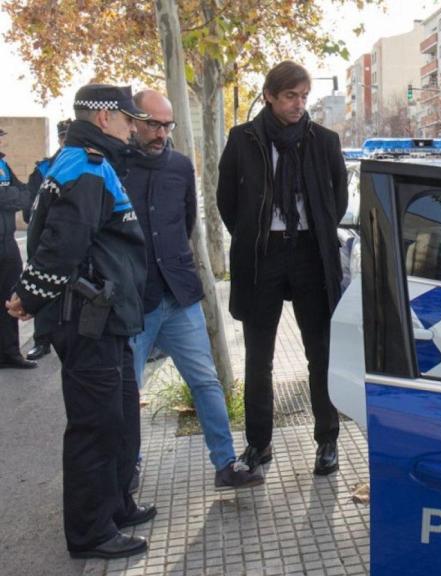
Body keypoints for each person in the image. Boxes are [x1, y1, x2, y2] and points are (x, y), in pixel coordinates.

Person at [5, 84, 155, 559]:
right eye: (129, 120)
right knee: (96, 424)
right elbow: (64, 242)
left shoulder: (89, 162)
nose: (134, 129)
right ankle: (91, 532)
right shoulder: (85, 166)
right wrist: (30, 296)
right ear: (105, 118)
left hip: (106, 318)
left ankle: (115, 507)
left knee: (118, 415)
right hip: (89, 319)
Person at [125, 89, 264, 490]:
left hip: (179, 297)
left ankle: (226, 464)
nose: (161, 134)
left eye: (167, 126)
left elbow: (187, 224)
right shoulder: (115, 166)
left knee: (205, 381)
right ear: (133, 121)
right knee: (127, 390)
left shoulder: (181, 166)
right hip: (134, 301)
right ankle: (127, 467)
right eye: (153, 125)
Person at [217, 61, 347, 475]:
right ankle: (259, 445)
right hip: (262, 255)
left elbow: (338, 199)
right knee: (259, 359)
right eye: (291, 96)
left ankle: (327, 440)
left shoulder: (324, 141)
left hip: (311, 254)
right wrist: (256, 235)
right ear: (269, 95)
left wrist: (315, 232)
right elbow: (227, 202)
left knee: (320, 354)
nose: (298, 104)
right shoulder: (242, 139)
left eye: (304, 96)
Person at [24, 118, 72, 362]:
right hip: (46, 239)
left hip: (72, 240)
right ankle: (41, 340)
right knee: (43, 287)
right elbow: (29, 208)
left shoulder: (86, 165)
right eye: (63, 137)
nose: (66, 141)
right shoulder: (44, 169)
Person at [0, 126, 37, 369]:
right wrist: (10, 196)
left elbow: (26, 193)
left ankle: (10, 353)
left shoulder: (3, 165)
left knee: (8, 298)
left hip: (7, 242)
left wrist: (7, 195)